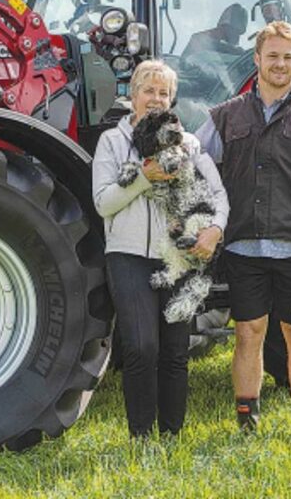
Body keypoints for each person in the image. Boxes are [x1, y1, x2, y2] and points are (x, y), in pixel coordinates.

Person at [197, 21, 291, 432]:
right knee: (249, 332)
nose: (281, 64)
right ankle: (247, 417)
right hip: (243, 247)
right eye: (273, 56)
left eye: (288, 57)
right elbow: (195, 161)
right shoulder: (225, 116)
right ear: (257, 60)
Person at [92, 60, 230, 439]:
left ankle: (172, 434)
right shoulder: (112, 142)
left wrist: (215, 228)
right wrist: (143, 178)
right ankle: (142, 436)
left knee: (174, 350)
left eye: (164, 93)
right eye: (149, 91)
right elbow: (103, 202)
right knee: (141, 347)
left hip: (178, 256)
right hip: (128, 255)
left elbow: (217, 195)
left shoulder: (188, 144)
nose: (156, 99)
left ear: (172, 100)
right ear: (133, 95)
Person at [182, 3, 248, 58]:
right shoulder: (199, 40)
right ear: (223, 26)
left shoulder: (235, 57)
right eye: (234, 30)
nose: (236, 37)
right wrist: (239, 52)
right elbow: (198, 41)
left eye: (239, 33)